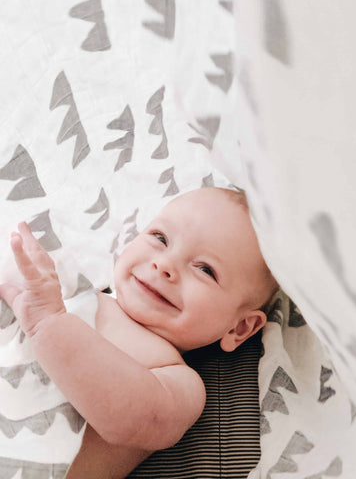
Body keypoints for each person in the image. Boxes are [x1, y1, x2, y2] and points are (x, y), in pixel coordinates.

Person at [0, 187, 278, 478]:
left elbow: (128, 419)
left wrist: (48, 323)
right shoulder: (72, 289)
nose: (165, 264)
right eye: (161, 238)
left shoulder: (178, 380)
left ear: (240, 327)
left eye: (206, 269)